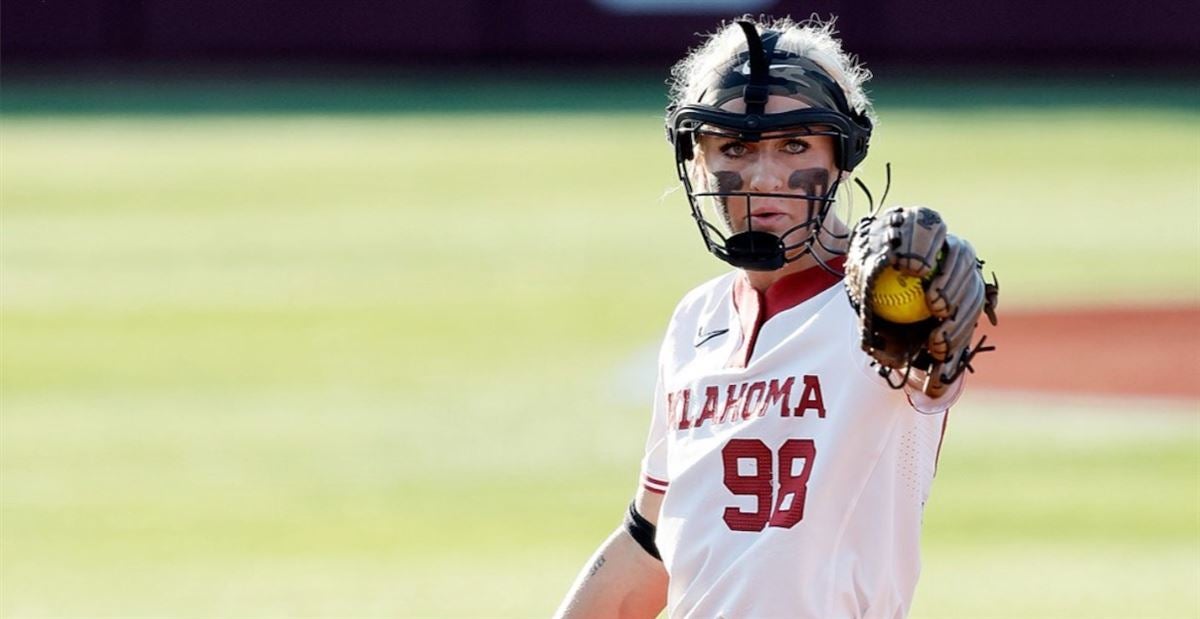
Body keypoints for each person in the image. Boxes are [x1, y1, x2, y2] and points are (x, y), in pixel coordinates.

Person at [554, 15, 995, 619]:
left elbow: (929, 367)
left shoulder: (884, 302)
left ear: (842, 155)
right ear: (698, 159)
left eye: (794, 145)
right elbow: (653, 544)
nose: (764, 179)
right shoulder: (696, 321)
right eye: (734, 147)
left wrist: (927, 315)